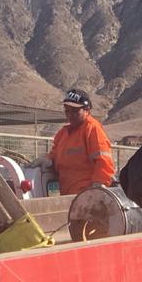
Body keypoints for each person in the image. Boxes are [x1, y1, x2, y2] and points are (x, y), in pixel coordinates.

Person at [44, 88, 114, 239]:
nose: (70, 115)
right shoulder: (63, 133)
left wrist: (97, 189)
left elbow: (103, 160)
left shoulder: (92, 129)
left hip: (86, 199)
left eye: (75, 111)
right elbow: (55, 154)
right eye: (67, 111)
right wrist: (46, 160)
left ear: (87, 110)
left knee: (86, 238)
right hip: (68, 199)